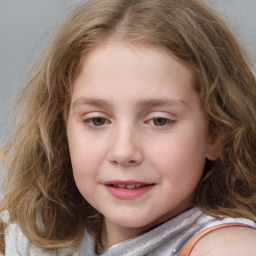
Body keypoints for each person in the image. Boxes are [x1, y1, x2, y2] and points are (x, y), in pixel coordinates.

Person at [0, 0, 256, 255]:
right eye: (97, 120)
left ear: (215, 133)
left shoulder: (229, 247)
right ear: (61, 132)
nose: (123, 152)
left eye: (159, 120)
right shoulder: (34, 236)